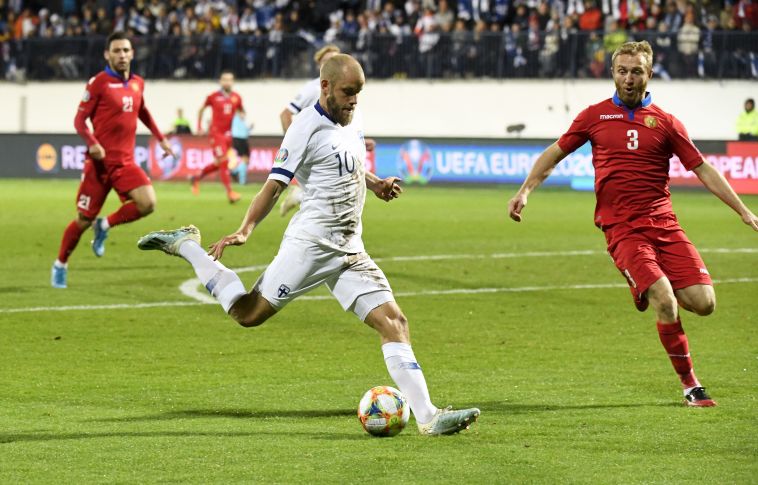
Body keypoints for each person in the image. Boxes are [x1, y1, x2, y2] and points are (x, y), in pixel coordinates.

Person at [137, 54, 480, 435]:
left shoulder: (354, 117)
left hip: (350, 249)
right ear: (325, 87)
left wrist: (375, 182)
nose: (354, 100)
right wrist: (246, 228)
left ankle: (429, 417)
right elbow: (274, 185)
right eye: (348, 92)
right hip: (311, 247)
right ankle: (187, 245)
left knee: (394, 322)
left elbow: (348, 163)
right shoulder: (304, 128)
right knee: (247, 314)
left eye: (359, 93)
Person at [507, 41, 758, 407]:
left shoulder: (667, 123)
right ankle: (691, 386)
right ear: (612, 73)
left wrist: (743, 210)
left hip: (664, 225)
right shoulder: (594, 116)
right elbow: (555, 153)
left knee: (704, 303)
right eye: (622, 71)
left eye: (636, 71)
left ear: (649, 74)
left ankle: (643, 280)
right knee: (665, 299)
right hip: (622, 228)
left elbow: (703, 169)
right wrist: (525, 190)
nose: (628, 78)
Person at [51, 31, 174, 289]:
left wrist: (161, 138)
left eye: (126, 50)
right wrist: (92, 143)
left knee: (148, 203)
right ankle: (60, 264)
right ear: (107, 54)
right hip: (99, 166)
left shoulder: (139, 82)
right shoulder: (99, 82)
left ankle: (105, 225)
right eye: (116, 51)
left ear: (132, 53)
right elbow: (78, 120)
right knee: (82, 220)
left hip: (125, 162)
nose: (122, 55)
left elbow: (142, 111)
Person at [277, 44, 341, 217]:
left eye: (336, 59)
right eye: (328, 61)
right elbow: (285, 114)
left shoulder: (342, 88)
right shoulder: (313, 88)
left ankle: (298, 195)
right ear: (319, 65)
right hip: (316, 145)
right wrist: (293, 141)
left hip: (334, 144)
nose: (332, 64)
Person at [192, 70, 245, 203]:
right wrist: (199, 126)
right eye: (224, 79)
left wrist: (242, 115)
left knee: (219, 164)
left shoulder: (236, 97)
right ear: (220, 81)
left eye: (229, 79)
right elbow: (201, 109)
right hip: (216, 134)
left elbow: (241, 110)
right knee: (224, 161)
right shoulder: (213, 96)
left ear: (233, 81)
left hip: (228, 135)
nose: (227, 82)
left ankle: (196, 178)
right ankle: (230, 193)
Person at [230, 111, 251, 185]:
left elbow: (245, 131)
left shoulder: (241, 122)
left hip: (241, 139)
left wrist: (249, 129)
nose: (244, 115)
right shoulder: (235, 116)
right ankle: (241, 180)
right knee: (245, 159)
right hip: (239, 139)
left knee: (245, 159)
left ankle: (234, 172)